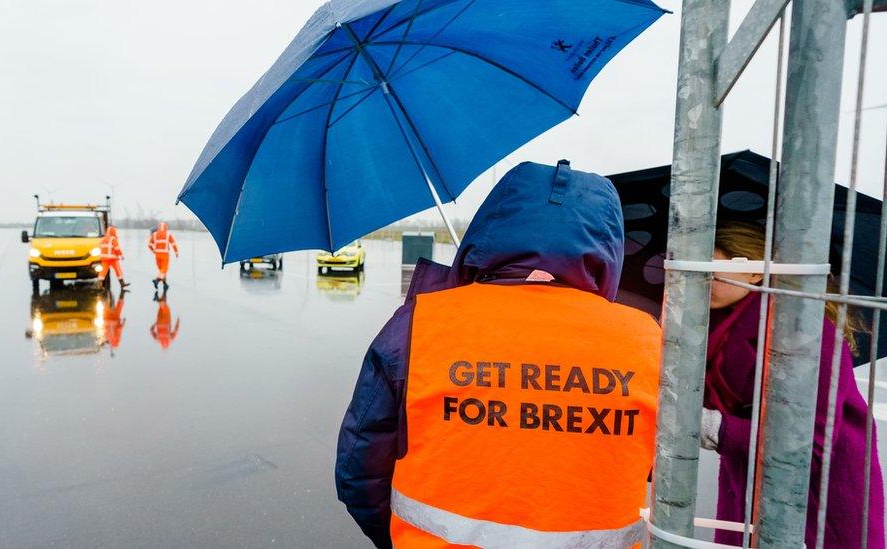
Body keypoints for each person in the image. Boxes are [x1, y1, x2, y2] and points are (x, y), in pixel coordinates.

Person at [335, 161, 662, 548]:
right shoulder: (649, 341)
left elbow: (359, 470)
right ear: (609, 248)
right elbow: (658, 471)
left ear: (489, 227)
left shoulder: (419, 324)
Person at [702, 221, 885, 548]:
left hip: (821, 492)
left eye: (711, 272)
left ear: (755, 273)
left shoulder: (808, 330)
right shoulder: (715, 330)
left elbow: (808, 446)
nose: (702, 283)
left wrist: (717, 428)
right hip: (749, 478)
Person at [148, 222, 179, 290]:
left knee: (161, 270)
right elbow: (173, 244)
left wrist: (153, 250)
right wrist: (176, 252)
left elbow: (149, 245)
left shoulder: (154, 234)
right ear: (166, 227)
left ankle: (165, 284)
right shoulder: (168, 235)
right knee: (164, 270)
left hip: (157, 255)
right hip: (165, 255)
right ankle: (157, 280)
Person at [98, 226, 129, 290]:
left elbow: (100, 247)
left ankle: (99, 284)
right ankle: (122, 283)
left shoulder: (103, 239)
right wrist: (121, 255)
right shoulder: (113, 239)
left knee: (103, 272)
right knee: (118, 270)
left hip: (104, 258)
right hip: (112, 258)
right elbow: (117, 248)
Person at [103, 290, 126, 355]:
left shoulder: (115, 340)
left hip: (114, 320)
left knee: (119, 305)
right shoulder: (107, 338)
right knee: (106, 306)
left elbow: (119, 330)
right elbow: (104, 329)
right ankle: (105, 292)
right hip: (107, 320)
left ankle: (122, 293)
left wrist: (123, 323)